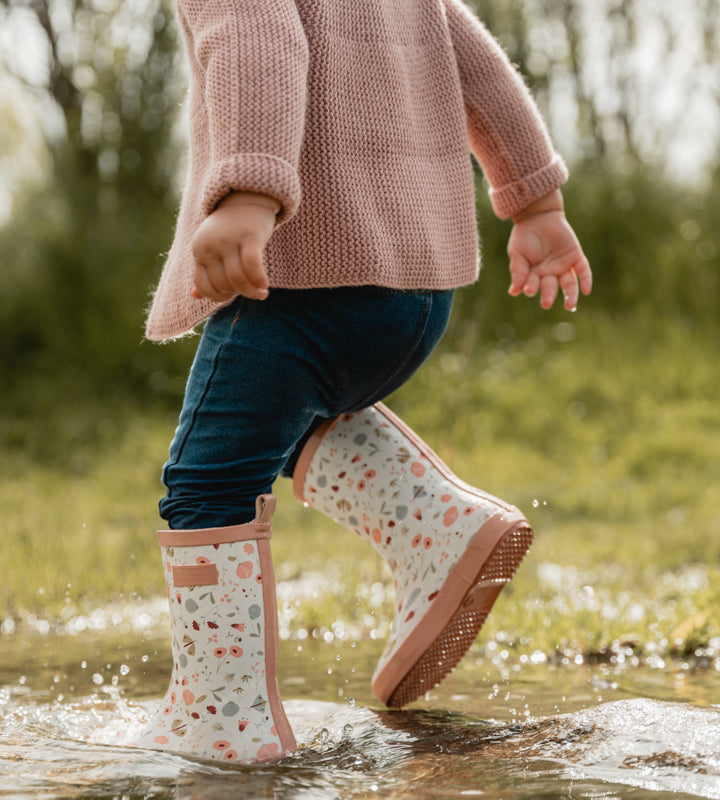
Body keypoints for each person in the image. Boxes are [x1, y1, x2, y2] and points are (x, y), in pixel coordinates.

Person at [123, 0, 591, 764]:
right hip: (414, 300)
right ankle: (439, 527)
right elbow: (476, 66)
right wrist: (536, 202)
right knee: (281, 421)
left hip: (305, 280)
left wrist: (247, 194)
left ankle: (220, 718)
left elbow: (258, 39)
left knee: (206, 478)